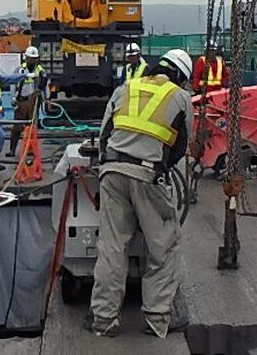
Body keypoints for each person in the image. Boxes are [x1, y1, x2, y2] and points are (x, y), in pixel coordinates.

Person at [89, 50, 194, 339]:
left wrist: (107, 166)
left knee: (111, 247)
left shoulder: (126, 88)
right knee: (164, 246)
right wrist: (158, 167)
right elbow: (182, 146)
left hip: (111, 172)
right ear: (181, 76)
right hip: (147, 174)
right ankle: (157, 319)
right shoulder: (180, 97)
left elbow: (104, 134)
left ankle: (103, 320)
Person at [7, 45, 46, 156]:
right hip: (22, 101)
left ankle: (30, 149)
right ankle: (12, 149)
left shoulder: (40, 70)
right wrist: (13, 98)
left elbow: (45, 85)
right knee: (17, 127)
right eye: (30, 58)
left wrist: (45, 99)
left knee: (32, 128)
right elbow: (13, 84)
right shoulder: (20, 69)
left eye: (34, 58)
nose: (32, 60)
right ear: (26, 58)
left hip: (34, 102)